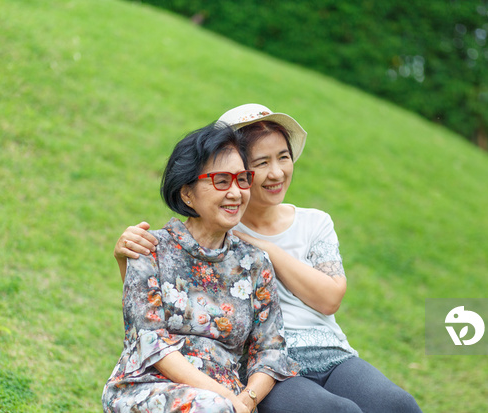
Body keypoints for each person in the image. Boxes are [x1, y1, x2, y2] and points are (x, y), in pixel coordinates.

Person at [113, 104, 422, 413]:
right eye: (259, 163)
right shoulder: (184, 233)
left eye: (283, 157)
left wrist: (264, 248)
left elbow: (317, 309)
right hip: (226, 382)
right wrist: (124, 257)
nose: (275, 173)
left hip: (314, 358)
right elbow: (151, 322)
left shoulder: (263, 250)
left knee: (398, 406)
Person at [102, 121, 298, 413]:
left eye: (242, 179)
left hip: (227, 401)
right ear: (187, 193)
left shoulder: (255, 263)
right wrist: (228, 401)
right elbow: (151, 343)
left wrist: (247, 400)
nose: (235, 192)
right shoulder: (149, 249)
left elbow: (270, 350)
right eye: (221, 180)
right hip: (148, 387)